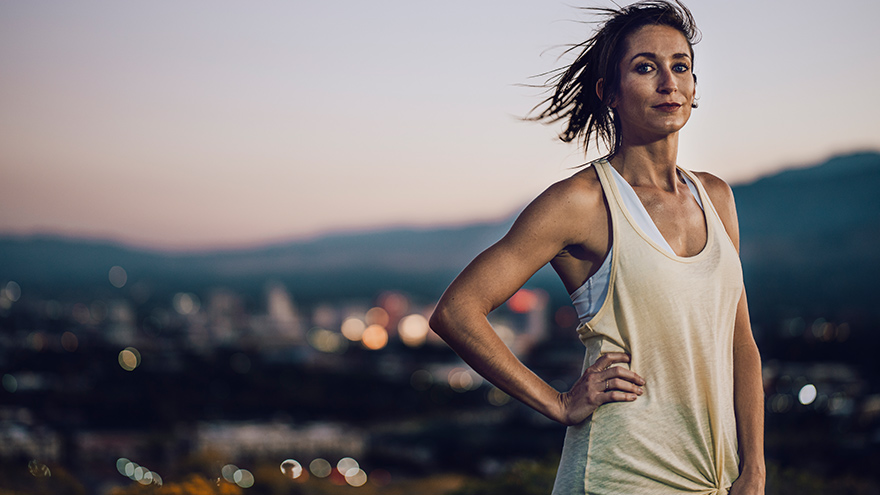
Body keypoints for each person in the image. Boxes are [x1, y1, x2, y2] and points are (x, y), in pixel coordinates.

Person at [428, 1, 765, 493]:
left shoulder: (716, 197)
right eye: (645, 67)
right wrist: (558, 402)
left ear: (695, 88)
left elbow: (741, 343)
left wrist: (753, 467)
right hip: (618, 475)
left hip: (715, 477)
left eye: (681, 66)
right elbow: (456, 311)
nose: (669, 82)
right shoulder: (583, 203)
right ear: (610, 92)